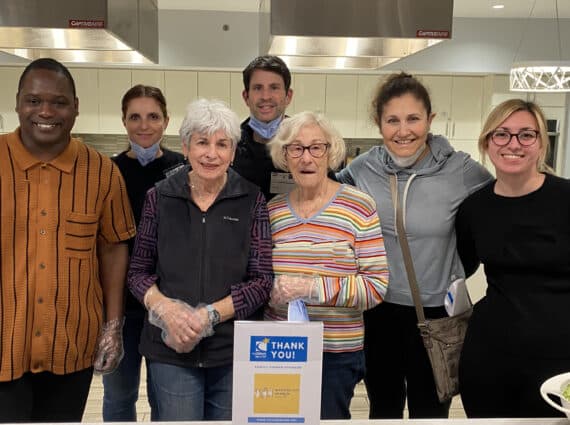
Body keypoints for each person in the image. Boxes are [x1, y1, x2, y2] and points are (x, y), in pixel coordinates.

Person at [336, 72, 492, 419]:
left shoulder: (461, 170)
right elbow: (329, 201)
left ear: (430, 120)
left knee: (431, 411)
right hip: (379, 312)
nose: (403, 130)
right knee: (383, 407)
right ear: (379, 123)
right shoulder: (363, 168)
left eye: (413, 119)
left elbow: (498, 208)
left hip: (437, 314)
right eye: (392, 120)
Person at [0, 58, 135, 422]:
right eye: (34, 100)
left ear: (75, 107)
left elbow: (112, 248)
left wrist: (113, 326)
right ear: (17, 103)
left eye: (59, 102)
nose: (46, 111)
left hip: (71, 348)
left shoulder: (102, 172)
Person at [127, 98, 273, 421]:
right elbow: (138, 272)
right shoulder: (160, 196)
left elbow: (262, 280)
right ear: (186, 146)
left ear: (233, 152)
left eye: (222, 144)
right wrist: (166, 309)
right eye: (202, 142)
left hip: (232, 349)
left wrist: (210, 315)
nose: (212, 153)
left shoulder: (252, 200)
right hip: (170, 348)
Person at [265, 111, 389, 420]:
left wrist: (312, 288)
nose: (306, 158)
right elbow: (259, 276)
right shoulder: (272, 212)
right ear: (284, 156)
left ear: (330, 153)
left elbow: (376, 286)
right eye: (296, 148)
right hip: (278, 349)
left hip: (335, 353)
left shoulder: (359, 207)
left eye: (316, 147)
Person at [455, 99, 570, 418]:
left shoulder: (566, 199)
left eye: (526, 135)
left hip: (561, 358)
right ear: (487, 142)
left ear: (541, 143)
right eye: (502, 134)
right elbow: (458, 271)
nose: (513, 144)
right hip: (491, 355)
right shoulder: (474, 208)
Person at [102, 84, 185, 422]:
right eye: (135, 117)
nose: (144, 125)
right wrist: (109, 319)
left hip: (167, 305)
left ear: (166, 121)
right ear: (123, 121)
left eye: (153, 116)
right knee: (119, 396)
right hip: (120, 306)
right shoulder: (108, 172)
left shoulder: (183, 169)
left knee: (163, 398)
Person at [232, 55, 294, 201]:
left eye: (274, 88)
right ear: (246, 96)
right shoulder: (229, 146)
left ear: (288, 96)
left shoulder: (307, 147)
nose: (265, 96)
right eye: (257, 88)